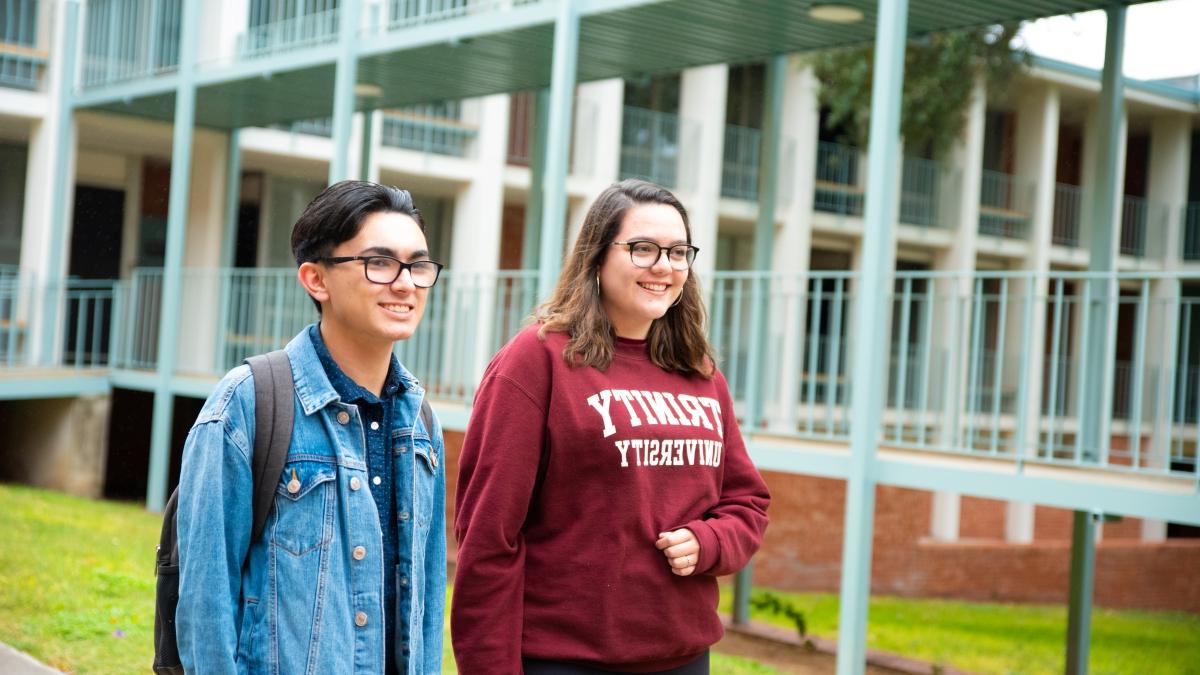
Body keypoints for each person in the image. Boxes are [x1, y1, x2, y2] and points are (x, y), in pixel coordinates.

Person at [451, 178, 771, 674]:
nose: (663, 266)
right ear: (597, 256)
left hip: (682, 658)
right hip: (565, 660)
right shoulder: (538, 362)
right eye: (643, 249)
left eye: (678, 251)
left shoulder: (700, 372)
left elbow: (747, 502)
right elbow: (489, 538)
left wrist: (710, 543)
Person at [175, 180, 446, 675]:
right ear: (316, 279)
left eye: (418, 265)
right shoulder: (249, 402)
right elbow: (204, 609)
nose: (405, 283)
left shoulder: (422, 421)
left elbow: (426, 608)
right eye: (379, 262)